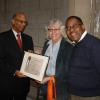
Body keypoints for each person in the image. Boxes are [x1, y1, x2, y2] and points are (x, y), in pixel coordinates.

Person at [0, 12, 34, 100]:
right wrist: (14, 71)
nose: (23, 24)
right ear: (13, 21)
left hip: (23, 85)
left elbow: (31, 59)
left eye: (25, 22)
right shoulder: (2, 38)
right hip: (7, 84)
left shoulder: (28, 39)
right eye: (21, 21)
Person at [65, 16, 100, 100]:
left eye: (74, 26)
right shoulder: (77, 44)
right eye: (68, 28)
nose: (71, 30)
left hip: (89, 96)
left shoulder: (94, 44)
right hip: (74, 93)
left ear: (83, 27)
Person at [37, 19, 73, 100]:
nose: (53, 32)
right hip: (44, 84)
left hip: (59, 86)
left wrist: (49, 78)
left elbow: (66, 69)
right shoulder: (47, 44)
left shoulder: (68, 47)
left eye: (56, 29)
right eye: (50, 29)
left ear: (61, 31)